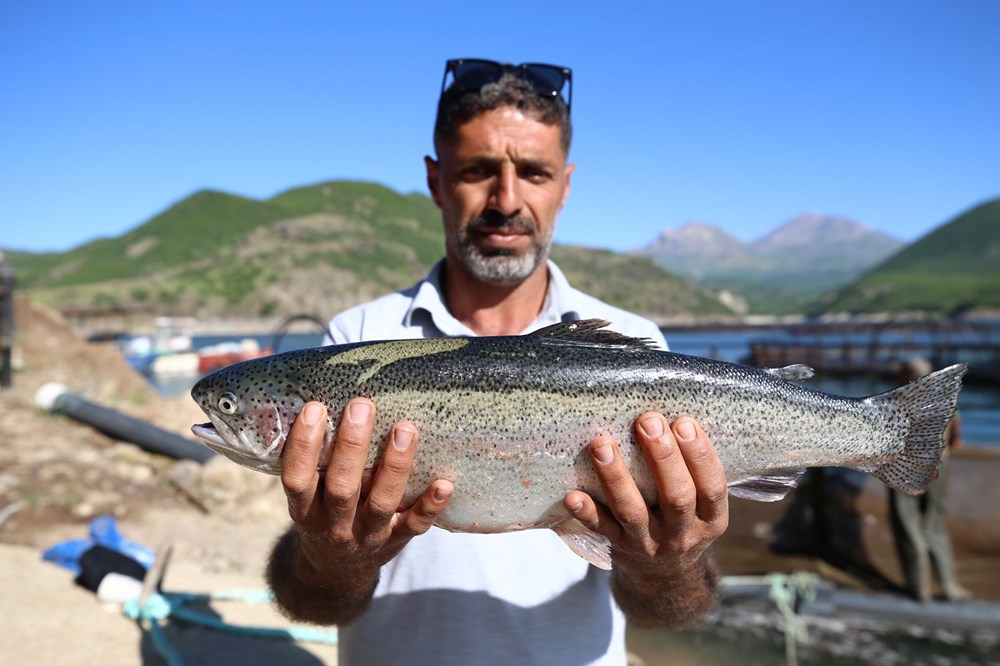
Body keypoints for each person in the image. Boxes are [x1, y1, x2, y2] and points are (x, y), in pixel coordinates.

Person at [265, 58, 730, 665]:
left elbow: (665, 612)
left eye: (532, 173)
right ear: (436, 180)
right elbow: (314, 604)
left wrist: (670, 568)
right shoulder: (354, 339)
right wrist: (329, 560)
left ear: (564, 185)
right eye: (478, 170)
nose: (506, 200)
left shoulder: (633, 346)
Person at [888, 357, 970, 602]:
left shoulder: (898, 401)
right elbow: (957, 440)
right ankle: (949, 585)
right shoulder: (946, 399)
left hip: (903, 468)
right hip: (938, 465)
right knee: (935, 525)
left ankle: (919, 588)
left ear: (907, 377)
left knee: (907, 524)